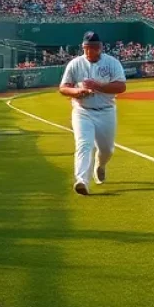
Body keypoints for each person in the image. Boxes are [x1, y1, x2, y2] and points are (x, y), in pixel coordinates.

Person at [58, 31, 127, 195]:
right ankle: (81, 180)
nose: (90, 51)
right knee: (84, 144)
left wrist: (98, 86)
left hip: (106, 111)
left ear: (100, 47)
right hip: (82, 110)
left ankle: (100, 165)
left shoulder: (112, 63)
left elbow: (121, 87)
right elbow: (63, 88)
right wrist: (77, 92)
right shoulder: (75, 63)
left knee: (107, 150)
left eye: (94, 48)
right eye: (87, 48)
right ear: (83, 47)